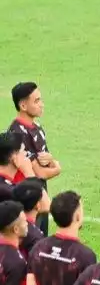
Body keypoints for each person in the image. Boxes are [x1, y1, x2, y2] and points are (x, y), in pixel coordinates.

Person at [8, 82, 61, 235]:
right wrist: (57, 168)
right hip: (28, 202)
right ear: (23, 106)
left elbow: (47, 163)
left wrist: (51, 161)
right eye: (36, 101)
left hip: (40, 196)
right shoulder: (17, 134)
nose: (42, 105)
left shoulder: (37, 128)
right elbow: (40, 172)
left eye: (41, 99)